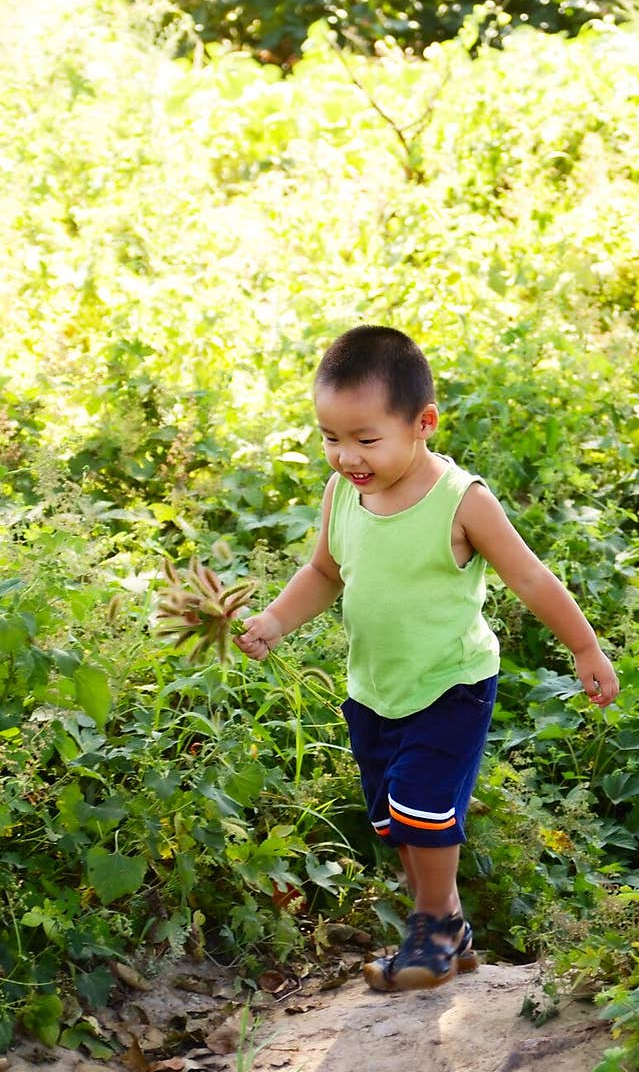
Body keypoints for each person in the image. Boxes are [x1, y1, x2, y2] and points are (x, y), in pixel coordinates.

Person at [235, 324, 619, 993]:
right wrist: (274, 619)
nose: (345, 455)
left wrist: (584, 645)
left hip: (451, 684)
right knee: (394, 820)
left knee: (421, 806)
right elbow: (324, 572)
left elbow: (529, 577)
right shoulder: (342, 496)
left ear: (423, 424)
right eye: (330, 437)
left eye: (365, 439)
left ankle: (433, 929)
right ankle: (449, 929)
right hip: (375, 689)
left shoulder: (461, 501)